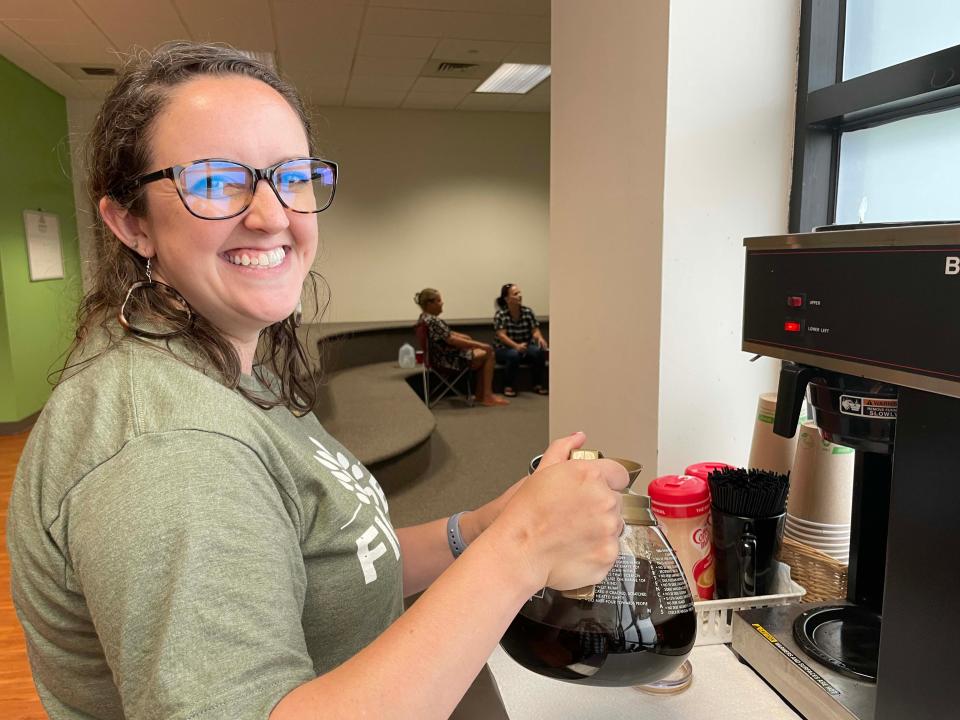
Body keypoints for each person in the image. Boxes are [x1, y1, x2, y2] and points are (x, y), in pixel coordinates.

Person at [6, 42, 629, 720]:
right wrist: (523, 550)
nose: (273, 216)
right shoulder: (170, 447)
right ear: (131, 223)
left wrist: (478, 530)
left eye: (292, 177)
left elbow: (338, 567)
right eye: (216, 181)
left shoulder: (229, 368)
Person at [414, 288, 508, 407]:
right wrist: (479, 344)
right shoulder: (433, 320)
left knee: (483, 353)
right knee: (489, 352)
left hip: (438, 358)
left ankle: (480, 395)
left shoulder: (425, 318)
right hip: (448, 360)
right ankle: (487, 396)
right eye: (438, 301)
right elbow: (451, 340)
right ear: (429, 303)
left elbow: (447, 334)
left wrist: (464, 337)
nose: (442, 303)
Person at [493, 283, 549, 397]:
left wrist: (540, 338)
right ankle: (508, 385)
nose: (520, 295)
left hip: (524, 346)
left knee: (539, 351)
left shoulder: (528, 312)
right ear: (507, 299)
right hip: (503, 348)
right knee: (514, 354)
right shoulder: (501, 314)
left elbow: (535, 330)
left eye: (520, 293)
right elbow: (502, 336)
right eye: (516, 294)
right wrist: (516, 346)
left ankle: (537, 384)